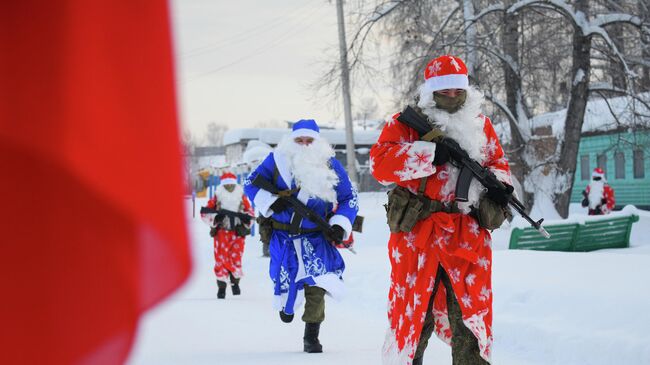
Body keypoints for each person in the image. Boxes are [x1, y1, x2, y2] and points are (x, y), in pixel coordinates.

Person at [370, 55, 513, 365]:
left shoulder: (480, 125)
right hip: (417, 235)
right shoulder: (404, 124)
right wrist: (428, 153)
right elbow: (380, 165)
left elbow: (497, 163)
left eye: (457, 91)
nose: (451, 97)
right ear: (430, 91)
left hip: (467, 236)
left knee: (471, 318)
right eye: (443, 91)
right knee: (414, 315)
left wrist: (502, 185)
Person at [243, 119, 358, 353]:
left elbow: (349, 197)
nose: (305, 144)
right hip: (283, 239)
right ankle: (287, 307)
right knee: (284, 281)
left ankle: (311, 336)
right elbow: (249, 184)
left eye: (309, 141)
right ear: (291, 141)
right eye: (299, 140)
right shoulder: (276, 161)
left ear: (317, 142)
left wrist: (339, 223)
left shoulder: (330, 164)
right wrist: (270, 202)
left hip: (316, 238)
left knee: (317, 285)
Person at [201, 172, 254, 299]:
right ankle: (222, 288)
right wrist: (216, 217)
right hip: (221, 233)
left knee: (236, 259)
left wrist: (246, 220)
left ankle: (235, 285)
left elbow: (249, 212)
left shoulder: (241, 196)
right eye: (227, 184)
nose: (229, 186)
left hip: (237, 232)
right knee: (221, 259)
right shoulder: (217, 195)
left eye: (231, 184)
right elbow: (206, 213)